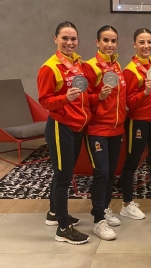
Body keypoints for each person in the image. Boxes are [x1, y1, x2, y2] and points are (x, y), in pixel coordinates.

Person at [37, 21, 91, 245]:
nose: (69, 43)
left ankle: (53, 213)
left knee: (64, 172)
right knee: (63, 176)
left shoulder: (78, 64)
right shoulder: (49, 67)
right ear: (55, 39)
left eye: (73, 39)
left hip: (77, 126)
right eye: (65, 38)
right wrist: (64, 98)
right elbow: (45, 101)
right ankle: (63, 228)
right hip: (61, 126)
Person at [82, 25, 126, 240]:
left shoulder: (117, 66)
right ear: (97, 42)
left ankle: (105, 208)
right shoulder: (90, 67)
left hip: (117, 129)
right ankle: (98, 219)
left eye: (113, 41)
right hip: (98, 129)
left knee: (110, 173)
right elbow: (82, 98)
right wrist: (97, 97)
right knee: (101, 173)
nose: (110, 44)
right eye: (105, 40)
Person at [119, 28, 151, 220]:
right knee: (132, 161)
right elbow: (128, 102)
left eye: (149, 42)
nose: (146, 46)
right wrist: (145, 92)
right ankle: (126, 203)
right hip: (139, 121)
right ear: (135, 45)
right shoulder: (130, 70)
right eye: (141, 42)